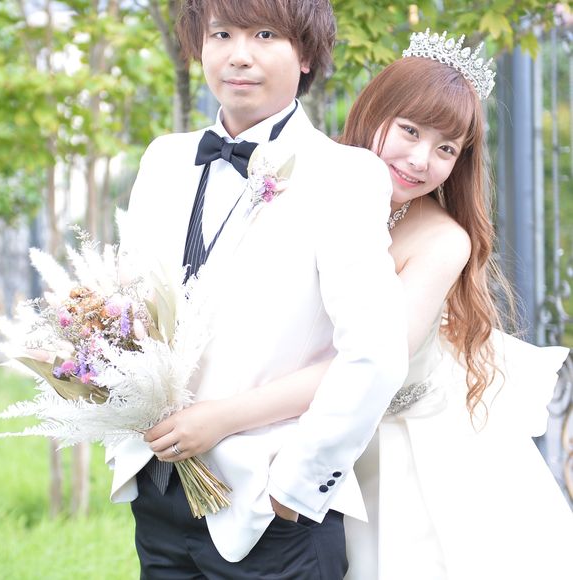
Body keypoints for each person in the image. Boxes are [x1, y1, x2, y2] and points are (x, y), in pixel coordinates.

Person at [151, 30, 573, 579]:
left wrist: (220, 419)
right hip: (286, 435)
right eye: (410, 130)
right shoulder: (312, 180)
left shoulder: (442, 241)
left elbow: (366, 360)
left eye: (446, 149)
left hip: (400, 455)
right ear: (376, 111)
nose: (420, 160)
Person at [107, 0, 409, 578]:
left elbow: (375, 353)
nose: (239, 55)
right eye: (221, 34)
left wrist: (295, 490)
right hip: (160, 493)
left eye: (265, 35)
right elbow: (130, 304)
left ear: (305, 55)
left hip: (271, 508)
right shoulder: (164, 159)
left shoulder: (344, 175)